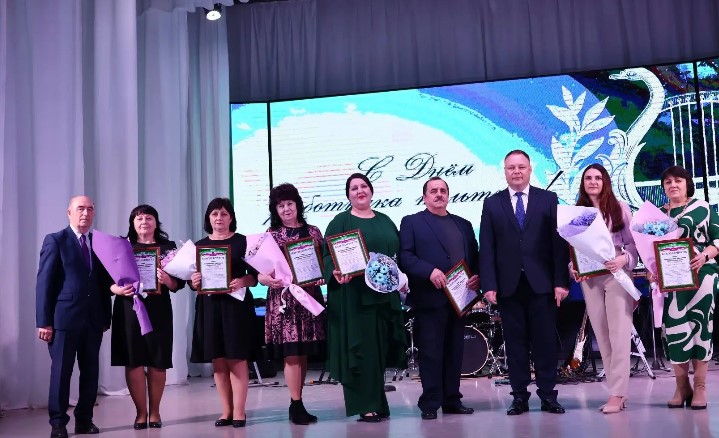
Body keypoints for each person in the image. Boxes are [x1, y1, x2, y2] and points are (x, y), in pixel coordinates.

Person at [479, 150, 570, 415]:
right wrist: (489, 284)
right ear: (505, 172)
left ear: (530, 169)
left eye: (521, 167)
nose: (516, 171)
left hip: (542, 285)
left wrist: (560, 282)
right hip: (508, 286)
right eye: (511, 168)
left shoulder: (548, 199)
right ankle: (519, 396)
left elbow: (558, 245)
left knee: (545, 344)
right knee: (515, 345)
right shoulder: (492, 203)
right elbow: (487, 247)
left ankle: (548, 396)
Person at [321, 173, 407, 422]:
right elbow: (326, 257)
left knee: (380, 349)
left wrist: (401, 280)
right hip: (354, 298)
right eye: (354, 188)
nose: (359, 191)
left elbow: (396, 255)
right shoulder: (340, 221)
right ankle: (365, 405)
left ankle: (378, 401)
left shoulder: (385, 220)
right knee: (361, 352)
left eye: (363, 186)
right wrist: (335, 272)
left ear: (371, 190)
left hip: (384, 296)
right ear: (348, 195)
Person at [398, 176, 479, 420]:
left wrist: (478, 277)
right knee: (431, 353)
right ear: (424, 197)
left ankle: (452, 400)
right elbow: (405, 257)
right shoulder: (412, 222)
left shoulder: (464, 224)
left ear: (448, 195)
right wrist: (429, 271)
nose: (439, 194)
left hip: (459, 299)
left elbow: (474, 258)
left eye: (443, 190)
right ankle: (430, 402)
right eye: (433, 191)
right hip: (429, 299)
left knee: (455, 352)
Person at [35, 196, 115, 438]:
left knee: (90, 372)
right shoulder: (56, 240)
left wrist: (106, 316)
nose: (85, 213)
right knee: (61, 373)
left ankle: (85, 420)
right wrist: (44, 322)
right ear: (69, 212)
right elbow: (44, 283)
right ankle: (58, 423)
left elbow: (104, 282)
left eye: (90, 209)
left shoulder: (99, 243)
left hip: (93, 320)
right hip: (63, 320)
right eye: (80, 208)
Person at [570, 164, 638, 414]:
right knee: (602, 334)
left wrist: (624, 259)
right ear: (583, 183)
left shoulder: (620, 208)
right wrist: (573, 267)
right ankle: (616, 391)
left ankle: (618, 393)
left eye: (598, 178)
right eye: (588, 178)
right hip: (590, 278)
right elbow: (574, 248)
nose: (593, 182)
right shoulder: (578, 214)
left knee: (619, 334)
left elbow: (634, 244)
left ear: (605, 181)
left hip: (616, 274)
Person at [110, 205, 185, 429]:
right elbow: (107, 279)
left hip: (158, 309)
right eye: (139, 218)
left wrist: (167, 280)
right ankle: (140, 413)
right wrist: (117, 289)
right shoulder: (122, 247)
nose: (144, 222)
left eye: (149, 218)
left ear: (156, 222)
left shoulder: (168, 248)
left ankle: (155, 412)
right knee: (133, 360)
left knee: (158, 360)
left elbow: (178, 284)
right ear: (132, 223)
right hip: (129, 308)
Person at [257, 183, 326, 425]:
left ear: (298, 205)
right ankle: (295, 405)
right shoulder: (270, 235)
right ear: (275, 210)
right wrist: (264, 278)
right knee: (292, 354)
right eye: (281, 205)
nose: (286, 209)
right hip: (284, 301)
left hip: (307, 299)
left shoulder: (313, 232)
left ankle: (298, 402)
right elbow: (260, 272)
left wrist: (323, 274)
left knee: (302, 352)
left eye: (289, 203)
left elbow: (324, 263)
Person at [651, 166, 719, 410]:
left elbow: (717, 240)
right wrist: (651, 270)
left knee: (701, 329)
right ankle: (682, 387)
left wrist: (705, 256)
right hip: (671, 282)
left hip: (703, 276)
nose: (673, 185)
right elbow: (649, 250)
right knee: (674, 331)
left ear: (687, 184)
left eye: (678, 180)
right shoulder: (657, 215)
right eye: (668, 182)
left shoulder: (703, 208)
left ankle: (700, 387)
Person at [189, 198, 260, 428]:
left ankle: (239, 411)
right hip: (209, 307)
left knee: (237, 358)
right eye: (214, 214)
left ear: (231, 218)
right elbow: (192, 281)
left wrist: (241, 281)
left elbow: (255, 276)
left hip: (236, 307)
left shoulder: (243, 242)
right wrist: (194, 281)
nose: (219, 218)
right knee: (218, 360)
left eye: (224, 214)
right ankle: (226, 411)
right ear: (208, 218)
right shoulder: (198, 246)